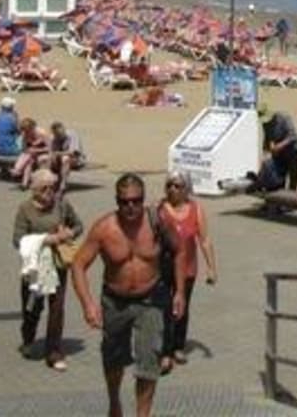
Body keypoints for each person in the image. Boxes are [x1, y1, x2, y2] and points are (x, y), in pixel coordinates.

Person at [70, 173, 186, 417]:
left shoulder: (157, 222)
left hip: (151, 299)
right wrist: (87, 304)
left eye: (136, 201)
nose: (131, 206)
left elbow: (179, 250)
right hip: (115, 301)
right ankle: (114, 404)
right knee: (113, 359)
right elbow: (78, 264)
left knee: (149, 362)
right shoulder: (104, 228)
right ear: (117, 201)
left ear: (143, 199)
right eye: (125, 202)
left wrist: (180, 292)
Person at [12, 170, 83, 372]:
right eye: (44, 188)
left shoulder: (62, 205)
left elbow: (78, 225)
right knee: (32, 307)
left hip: (57, 264)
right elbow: (17, 239)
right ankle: (28, 337)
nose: (49, 192)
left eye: (53, 187)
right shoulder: (25, 209)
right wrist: (44, 240)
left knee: (57, 308)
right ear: (34, 189)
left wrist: (69, 233)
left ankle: (54, 352)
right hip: (35, 267)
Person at [156, 172, 218, 371]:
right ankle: (165, 352)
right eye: (169, 185)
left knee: (182, 308)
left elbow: (204, 240)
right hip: (163, 268)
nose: (172, 189)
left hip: (188, 268)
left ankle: (178, 346)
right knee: (165, 308)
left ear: (186, 189)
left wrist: (211, 268)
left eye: (178, 186)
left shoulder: (195, 209)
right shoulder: (159, 209)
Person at [259, 104, 297, 192]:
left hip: (292, 149)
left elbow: (293, 136)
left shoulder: (284, 118)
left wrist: (280, 146)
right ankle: (280, 197)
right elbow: (267, 137)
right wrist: (266, 152)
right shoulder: (265, 123)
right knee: (279, 176)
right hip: (278, 151)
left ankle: (292, 197)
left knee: (293, 178)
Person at [12, 116, 52, 189]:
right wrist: (29, 150)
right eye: (24, 131)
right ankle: (24, 184)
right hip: (32, 154)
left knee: (40, 159)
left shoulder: (42, 133)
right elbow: (24, 148)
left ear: (32, 128)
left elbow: (50, 148)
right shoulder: (25, 134)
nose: (25, 132)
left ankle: (18, 170)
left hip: (44, 152)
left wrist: (37, 150)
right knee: (29, 161)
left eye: (27, 131)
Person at [49, 120, 87, 191]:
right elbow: (52, 151)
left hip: (76, 159)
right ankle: (48, 181)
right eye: (56, 134)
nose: (58, 136)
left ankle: (63, 183)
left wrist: (58, 154)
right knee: (45, 159)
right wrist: (53, 156)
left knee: (65, 159)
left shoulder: (72, 135)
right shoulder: (53, 138)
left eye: (59, 134)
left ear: (63, 129)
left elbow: (73, 152)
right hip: (59, 159)